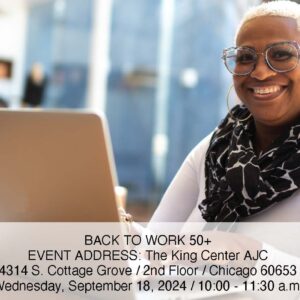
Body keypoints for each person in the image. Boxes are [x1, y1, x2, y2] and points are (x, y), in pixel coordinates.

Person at [148, 0, 300, 224]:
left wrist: (251, 254)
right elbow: (153, 248)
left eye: (281, 54)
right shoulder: (218, 147)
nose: (260, 72)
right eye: (245, 57)